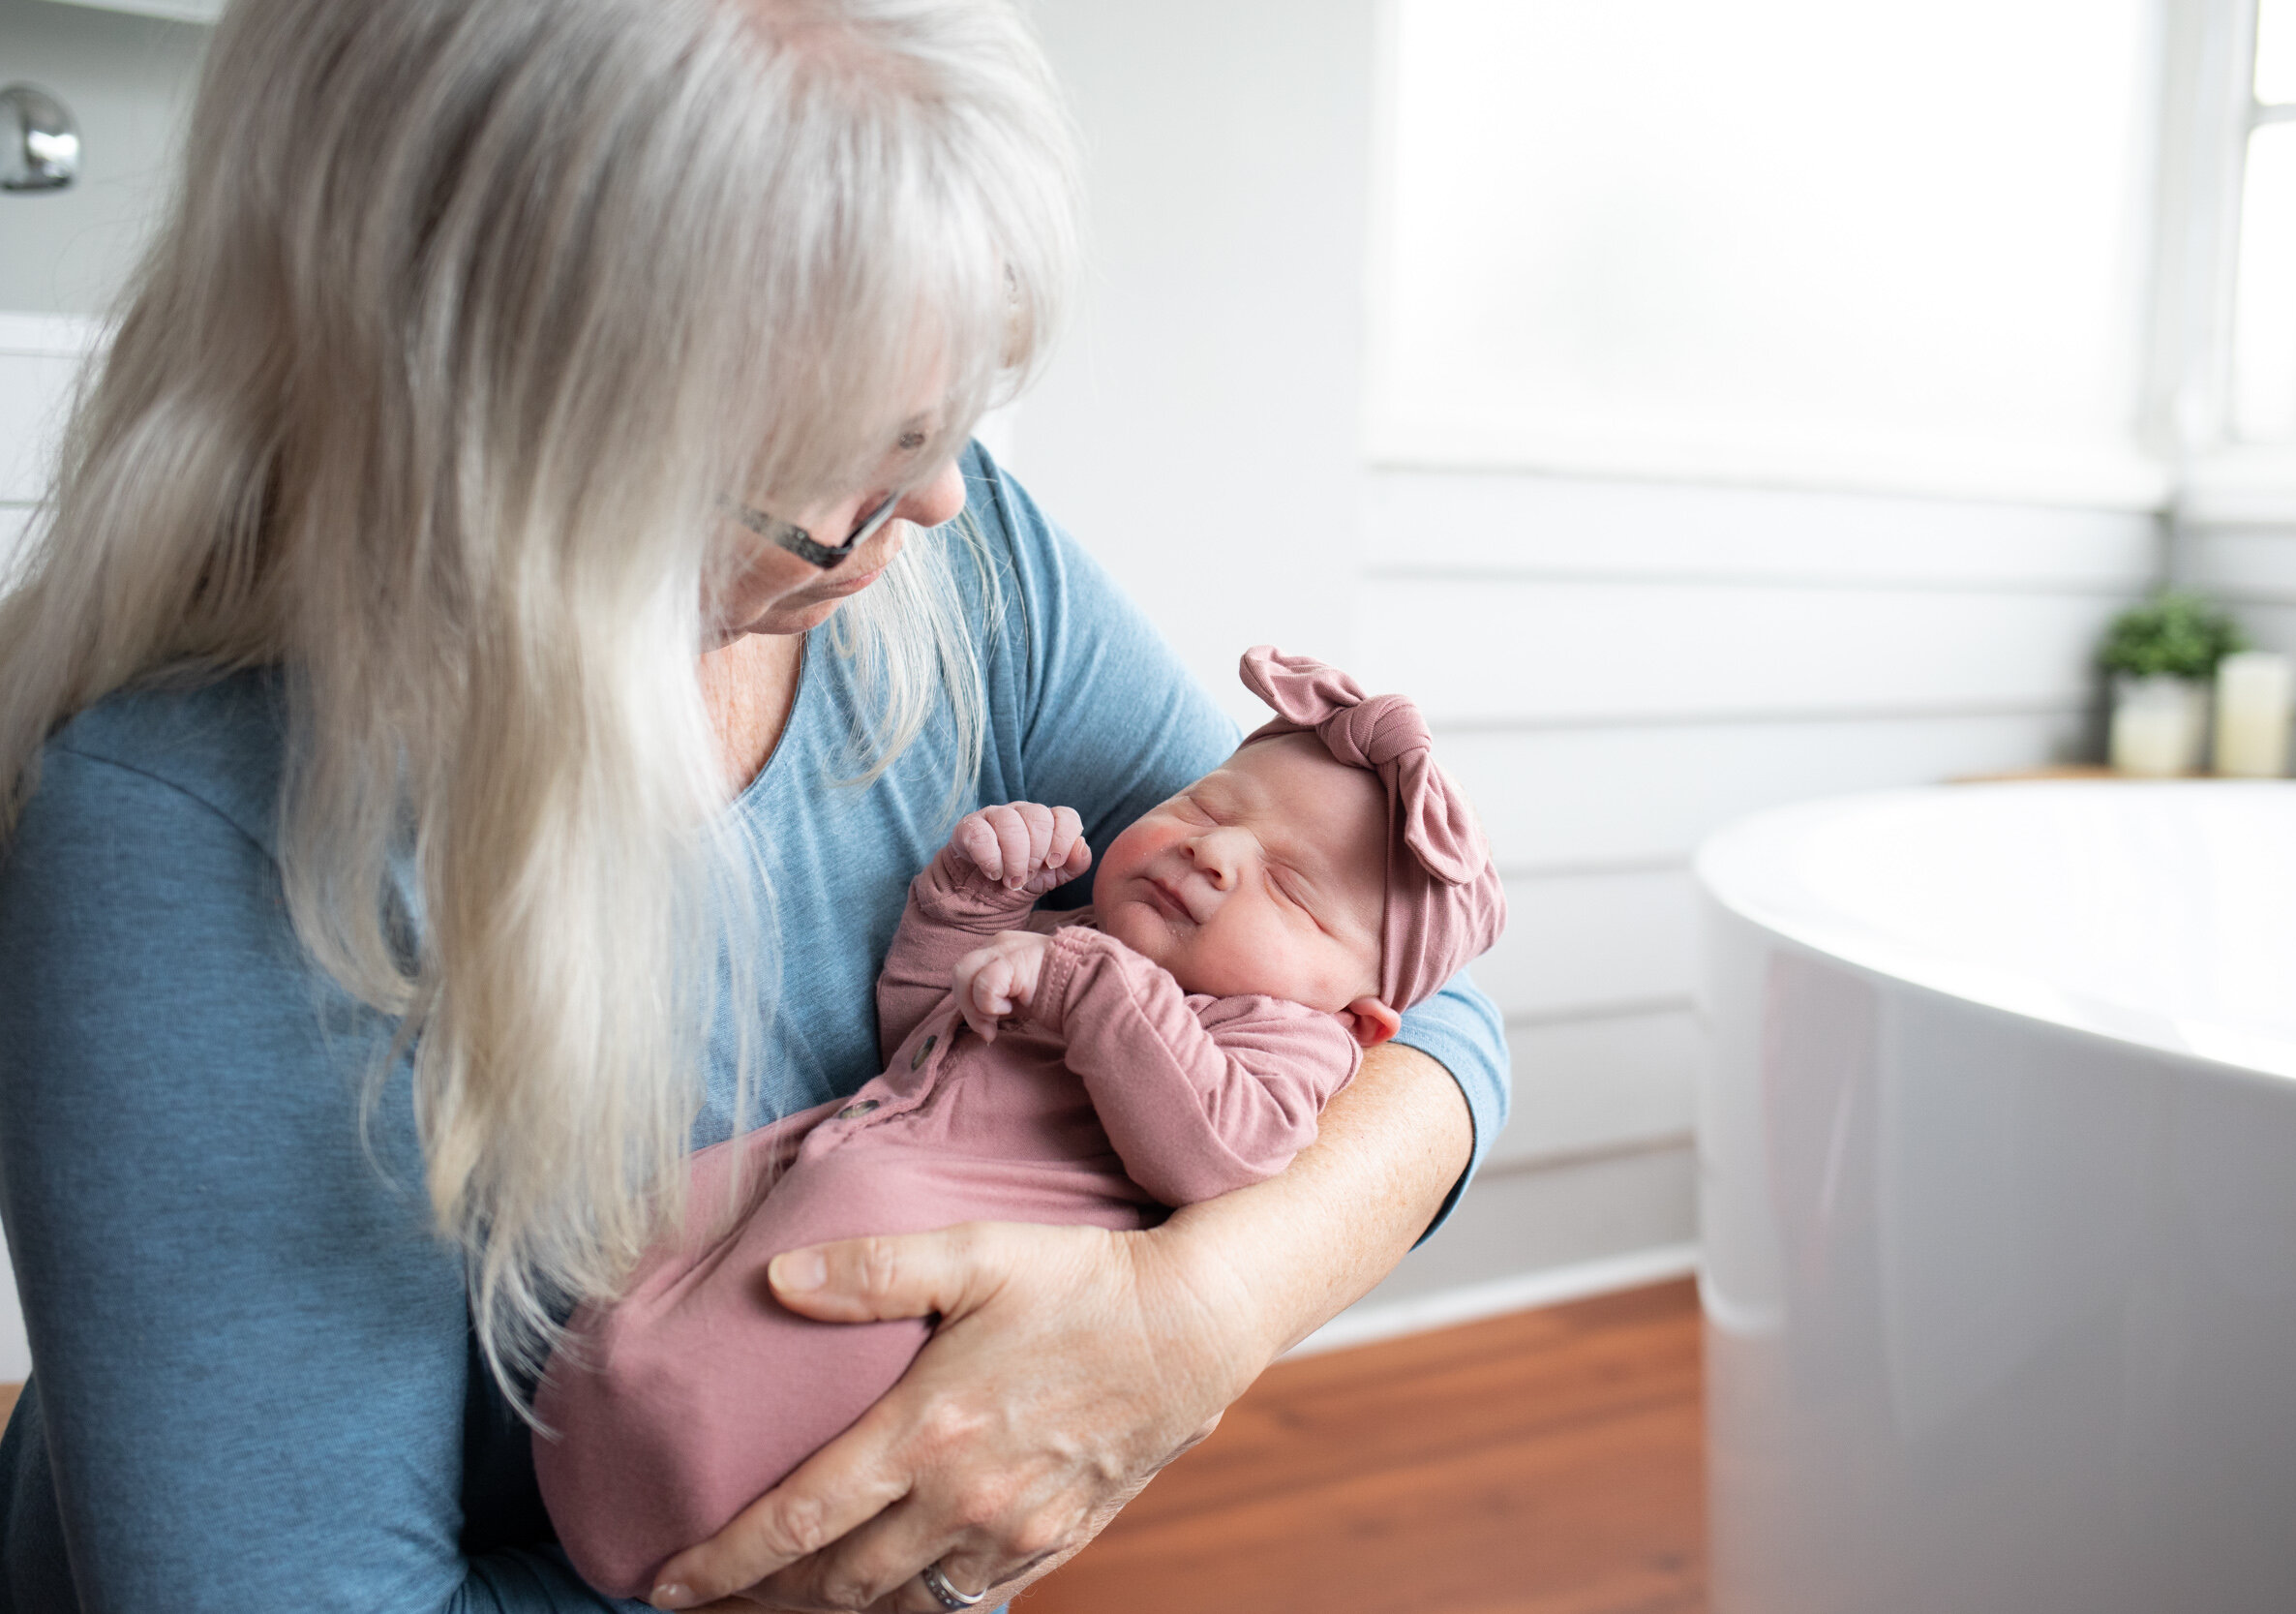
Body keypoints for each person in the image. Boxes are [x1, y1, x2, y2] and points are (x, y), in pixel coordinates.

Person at [0, 1, 1509, 1611]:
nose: (938, 494)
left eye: (946, 415)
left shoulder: (949, 554)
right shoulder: (186, 835)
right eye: (861, 448)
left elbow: (1420, 990)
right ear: (523, 438)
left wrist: (1185, 1326)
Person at [533, 648, 1509, 1599]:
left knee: (761, 1355)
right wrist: (968, 909)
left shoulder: (1287, 1039)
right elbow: (926, 1035)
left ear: (1361, 1016)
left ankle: (681, 1478)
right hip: (828, 1167)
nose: (1212, 852)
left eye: (1290, 888)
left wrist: (1085, 983)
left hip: (927, 1264)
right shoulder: (1082, 940)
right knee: (662, 1283)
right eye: (1203, 806)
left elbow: (1220, 1148)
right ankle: (622, 1415)